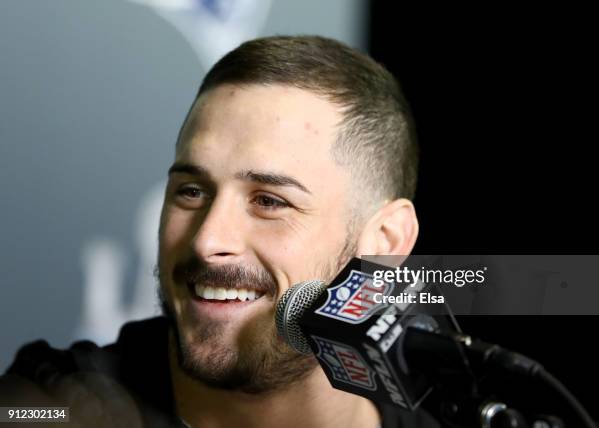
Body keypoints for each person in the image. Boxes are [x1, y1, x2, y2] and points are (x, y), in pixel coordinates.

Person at [1, 35, 437, 427]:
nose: (207, 241)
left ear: (384, 244)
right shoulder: (57, 402)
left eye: (269, 201)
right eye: (191, 192)